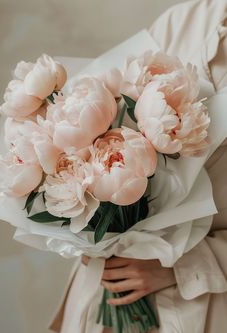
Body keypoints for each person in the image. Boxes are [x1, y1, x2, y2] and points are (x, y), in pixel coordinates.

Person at [50, 0, 227, 332]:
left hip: (203, 300)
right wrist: (91, 230)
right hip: (105, 282)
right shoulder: (185, 20)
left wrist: (183, 267)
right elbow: (109, 114)